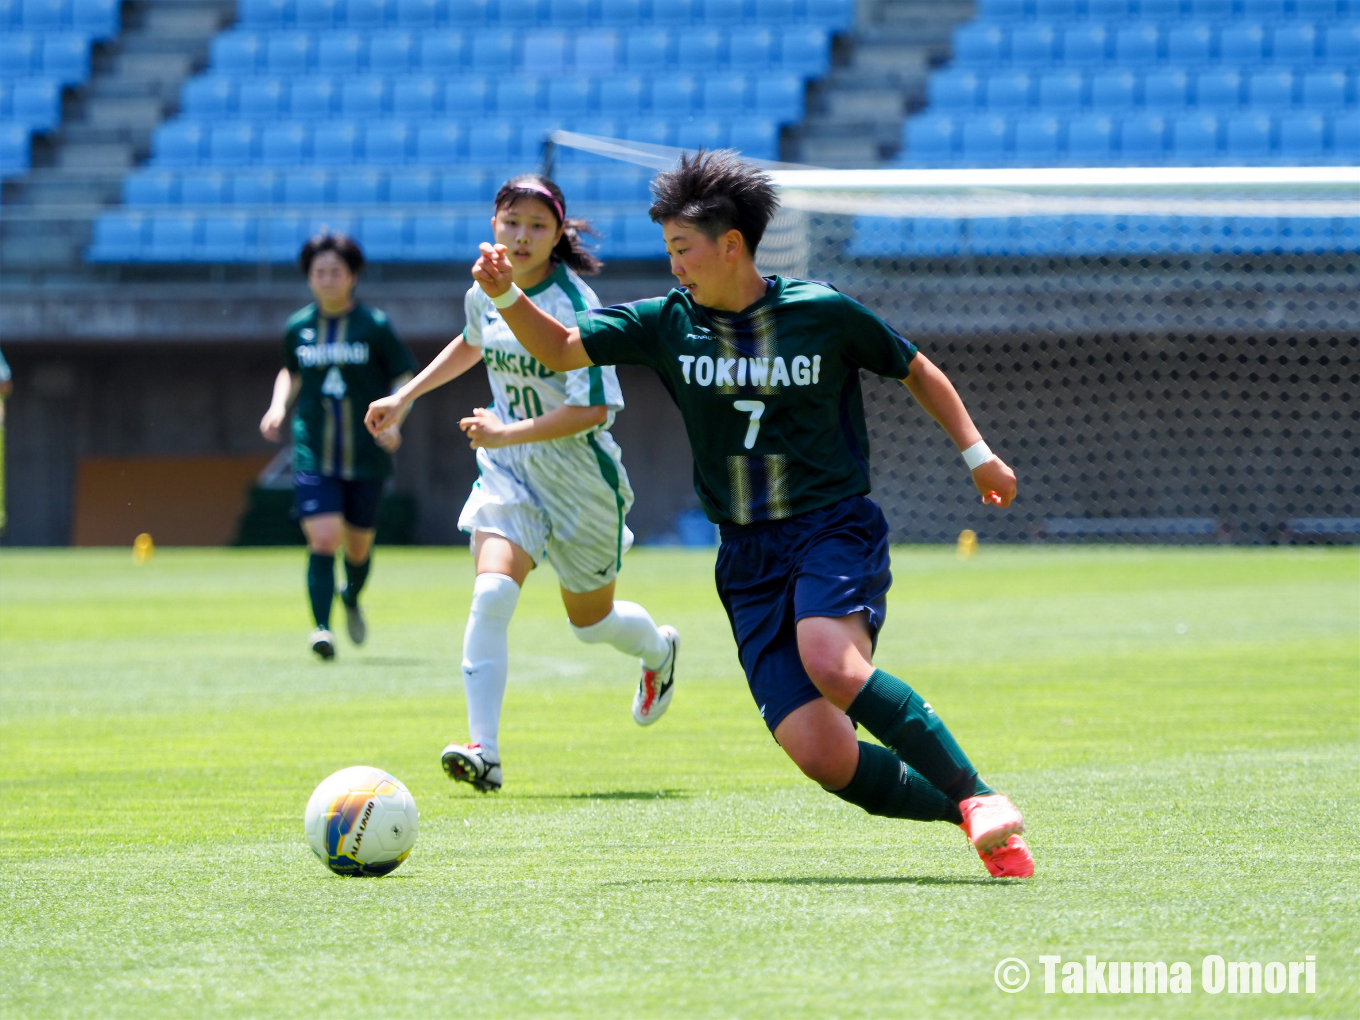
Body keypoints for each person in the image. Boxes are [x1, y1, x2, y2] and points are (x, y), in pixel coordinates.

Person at [468, 151, 1034, 877]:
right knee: (823, 756)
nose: (673, 265)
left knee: (832, 663)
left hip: (831, 526)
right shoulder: (667, 322)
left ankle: (976, 793)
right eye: (668, 248)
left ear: (731, 245)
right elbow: (562, 349)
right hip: (745, 556)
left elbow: (915, 366)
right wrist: (509, 295)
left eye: (682, 248)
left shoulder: (820, 312)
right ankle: (971, 814)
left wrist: (977, 453)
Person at [365, 174, 678, 794]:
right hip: (511, 476)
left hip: (581, 482)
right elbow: (472, 342)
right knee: (491, 596)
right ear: (494, 227)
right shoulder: (487, 288)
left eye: (539, 225)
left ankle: (658, 651)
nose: (523, 235)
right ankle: (485, 751)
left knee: (590, 624)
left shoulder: (577, 305)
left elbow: (593, 409)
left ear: (560, 233)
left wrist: (506, 432)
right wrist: (405, 397)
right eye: (512, 222)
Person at [259, 232, 415, 660]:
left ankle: (351, 596)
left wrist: (395, 420)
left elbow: (405, 378)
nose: (326, 279)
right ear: (308, 277)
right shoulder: (298, 327)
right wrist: (278, 407)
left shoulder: (375, 326)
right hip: (314, 450)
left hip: (366, 455)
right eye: (318, 272)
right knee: (324, 538)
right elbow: (289, 372)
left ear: (353, 277)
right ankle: (322, 629)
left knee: (358, 548)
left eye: (335, 271)